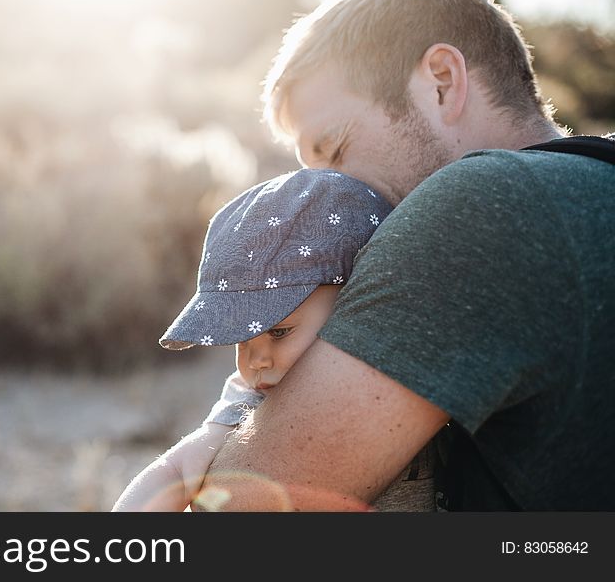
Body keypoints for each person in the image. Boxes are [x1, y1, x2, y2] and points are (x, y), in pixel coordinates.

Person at [195, 0, 615, 511]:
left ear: (441, 81)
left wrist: (214, 436)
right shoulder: (589, 186)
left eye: (335, 149)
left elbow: (239, 515)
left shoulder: (478, 205)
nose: (324, 195)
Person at [113, 168, 438, 512]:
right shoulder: (252, 398)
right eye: (241, 339)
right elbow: (176, 469)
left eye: (279, 332)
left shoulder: (412, 357)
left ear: (355, 300)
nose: (256, 361)